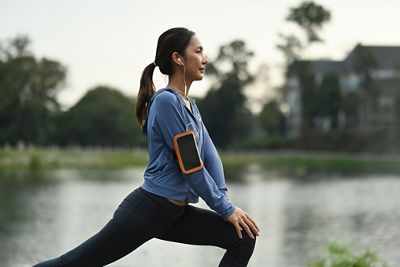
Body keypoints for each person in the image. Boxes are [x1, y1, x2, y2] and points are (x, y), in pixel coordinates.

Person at [33, 27, 259, 267]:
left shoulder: (189, 105)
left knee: (243, 237)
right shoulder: (166, 102)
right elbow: (192, 165)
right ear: (178, 58)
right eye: (198, 51)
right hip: (148, 210)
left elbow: (210, 156)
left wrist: (225, 202)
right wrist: (225, 209)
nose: (204, 59)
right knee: (74, 264)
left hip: (175, 214)